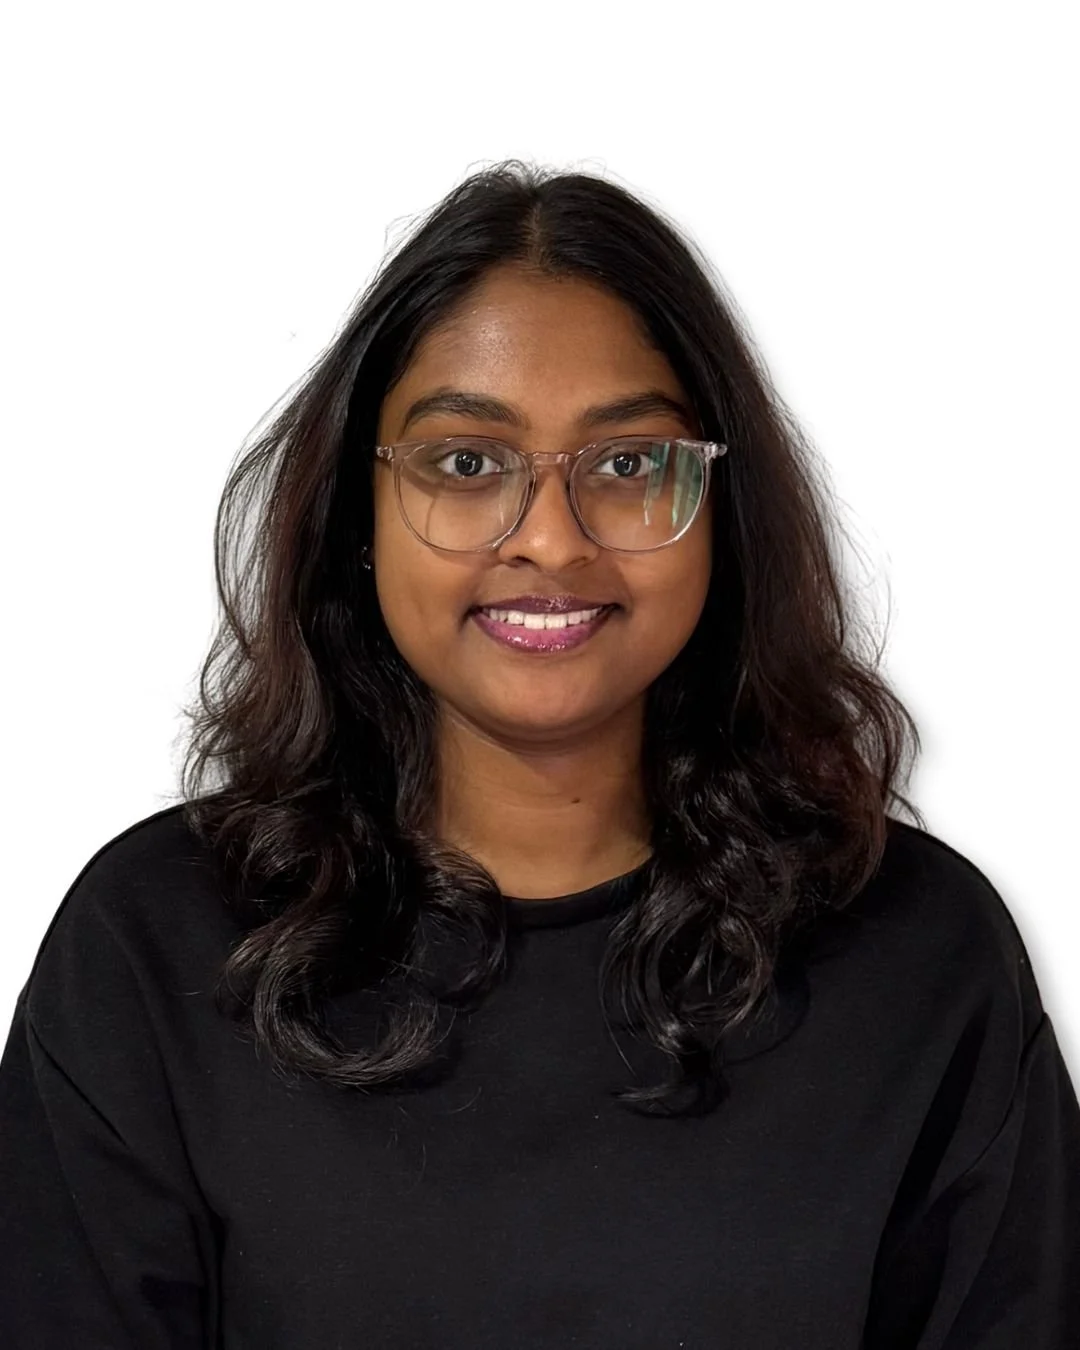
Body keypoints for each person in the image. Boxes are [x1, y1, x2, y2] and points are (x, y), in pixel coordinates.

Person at [1, 159, 1077, 1349]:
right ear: (358, 516)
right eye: (466, 464)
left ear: (719, 510)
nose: (551, 542)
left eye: (627, 464)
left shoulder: (922, 958)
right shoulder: (156, 947)